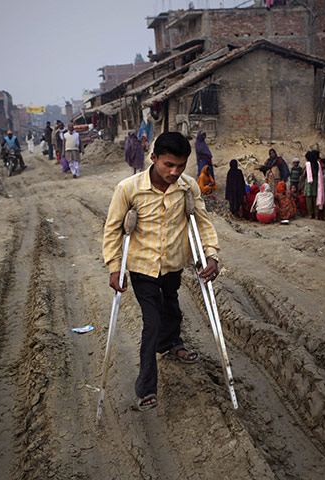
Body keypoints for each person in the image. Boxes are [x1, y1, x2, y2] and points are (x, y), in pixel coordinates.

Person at [103, 131, 219, 412]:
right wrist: (114, 266)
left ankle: (172, 343)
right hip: (142, 267)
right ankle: (146, 387)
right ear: (153, 158)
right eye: (168, 165)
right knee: (152, 323)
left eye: (180, 166)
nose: (174, 172)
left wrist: (211, 254)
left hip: (172, 264)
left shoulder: (188, 187)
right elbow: (112, 228)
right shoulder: (129, 188)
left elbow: (201, 222)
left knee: (172, 308)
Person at [301, 150, 324, 219]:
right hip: (316, 182)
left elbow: (304, 174)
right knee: (315, 198)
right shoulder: (317, 164)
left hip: (309, 182)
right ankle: (316, 215)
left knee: (308, 199)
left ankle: (310, 214)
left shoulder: (308, 164)